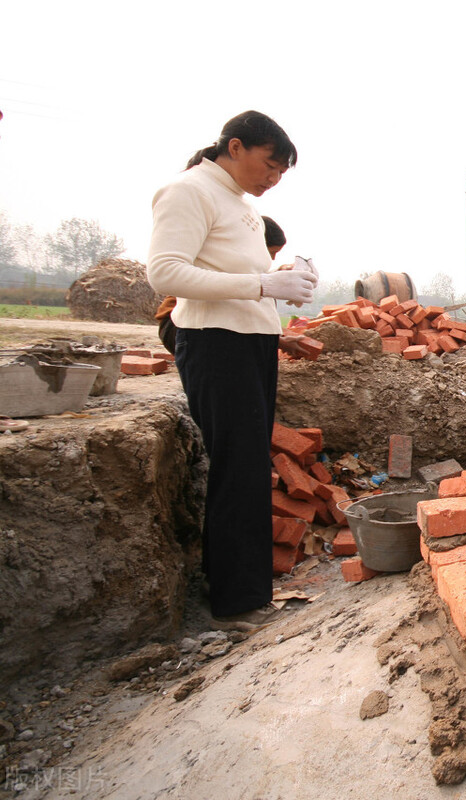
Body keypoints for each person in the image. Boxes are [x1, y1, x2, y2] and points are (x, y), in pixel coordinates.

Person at [147, 111, 317, 625]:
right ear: (235, 147)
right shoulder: (189, 191)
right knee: (237, 467)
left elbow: (238, 278)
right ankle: (235, 600)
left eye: (282, 172)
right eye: (270, 165)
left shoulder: (240, 206)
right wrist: (262, 285)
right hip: (216, 344)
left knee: (249, 465)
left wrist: (282, 282)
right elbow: (165, 272)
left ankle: (245, 585)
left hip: (250, 344)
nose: (273, 178)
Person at [155, 216, 287, 355]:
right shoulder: (221, 257)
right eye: (271, 252)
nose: (273, 259)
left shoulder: (240, 262)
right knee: (259, 292)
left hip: (206, 329)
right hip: (180, 327)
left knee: (263, 293)